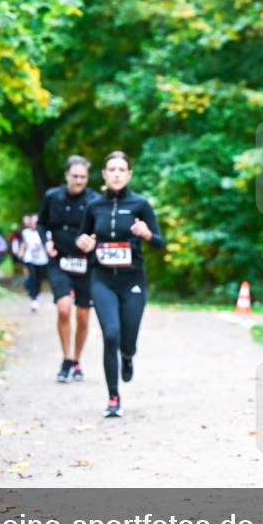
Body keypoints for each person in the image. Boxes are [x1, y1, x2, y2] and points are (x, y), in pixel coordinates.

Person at [75, 151, 164, 418]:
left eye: (121, 169)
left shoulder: (140, 204)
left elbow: (159, 243)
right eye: (111, 169)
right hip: (102, 280)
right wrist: (83, 243)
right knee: (110, 335)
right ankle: (113, 397)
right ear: (103, 175)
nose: (116, 173)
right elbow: (82, 236)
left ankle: (128, 356)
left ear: (129, 174)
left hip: (133, 281)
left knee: (128, 341)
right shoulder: (94, 207)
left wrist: (146, 233)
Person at [38, 156, 100, 382]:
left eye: (83, 177)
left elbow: (101, 227)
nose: (79, 180)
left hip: (85, 263)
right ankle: (65, 359)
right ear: (66, 175)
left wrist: (93, 239)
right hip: (60, 261)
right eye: (75, 176)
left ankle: (76, 360)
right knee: (64, 308)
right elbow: (41, 223)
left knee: (83, 316)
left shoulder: (95, 200)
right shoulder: (52, 196)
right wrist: (46, 241)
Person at [19, 214, 49, 312]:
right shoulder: (25, 232)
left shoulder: (45, 232)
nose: (33, 224)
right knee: (32, 277)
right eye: (32, 222)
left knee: (39, 279)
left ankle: (37, 294)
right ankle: (34, 298)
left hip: (42, 259)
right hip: (30, 258)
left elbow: (49, 244)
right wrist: (21, 251)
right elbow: (23, 243)